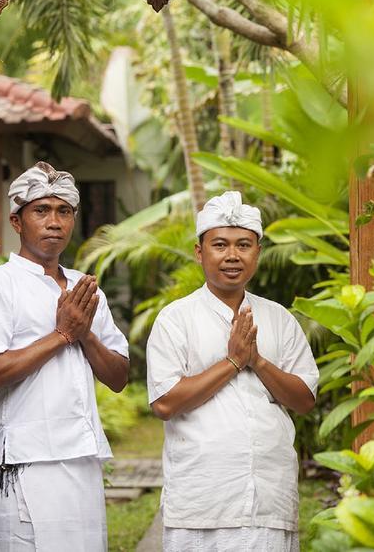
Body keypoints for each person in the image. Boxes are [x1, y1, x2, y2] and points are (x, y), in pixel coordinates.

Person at [0, 161, 130, 552]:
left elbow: (119, 376)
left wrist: (83, 332)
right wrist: (61, 335)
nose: (54, 221)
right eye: (41, 210)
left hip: (82, 457)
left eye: (64, 211)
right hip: (23, 462)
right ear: (17, 222)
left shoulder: (85, 290)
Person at [146, 191, 319, 551]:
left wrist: (257, 361)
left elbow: (304, 400)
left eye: (244, 245)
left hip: (268, 500)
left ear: (257, 252)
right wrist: (233, 363)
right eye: (220, 244)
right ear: (200, 252)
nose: (232, 255)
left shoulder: (278, 319)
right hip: (201, 501)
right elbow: (164, 403)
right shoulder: (176, 319)